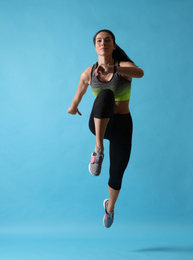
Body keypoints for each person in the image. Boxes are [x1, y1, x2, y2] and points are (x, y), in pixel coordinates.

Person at [67, 29, 144, 228]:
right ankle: (98, 150)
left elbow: (140, 73)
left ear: (114, 45)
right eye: (99, 40)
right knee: (106, 95)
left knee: (117, 172)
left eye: (107, 40)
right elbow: (79, 93)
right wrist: (73, 107)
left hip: (122, 125)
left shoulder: (124, 68)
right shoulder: (88, 72)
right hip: (99, 124)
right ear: (95, 46)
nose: (103, 43)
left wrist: (114, 70)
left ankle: (109, 209)